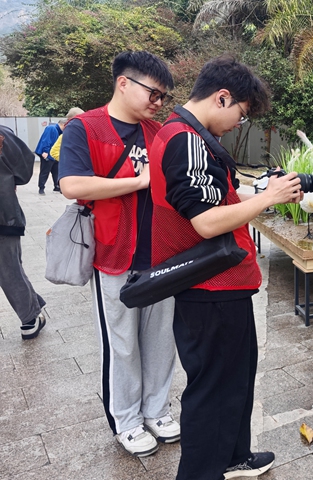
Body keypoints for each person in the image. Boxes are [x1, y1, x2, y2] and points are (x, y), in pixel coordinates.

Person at [149, 56, 302, 480]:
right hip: (209, 288)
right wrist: (268, 198)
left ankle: (234, 456)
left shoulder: (184, 135)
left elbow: (213, 199)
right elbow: (205, 220)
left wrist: (254, 191)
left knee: (235, 376)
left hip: (222, 285)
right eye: (241, 112)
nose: (239, 122)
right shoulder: (185, 139)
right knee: (212, 388)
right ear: (222, 97)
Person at [58, 51, 180, 458]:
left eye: (163, 96)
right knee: (122, 342)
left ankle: (157, 410)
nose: (158, 102)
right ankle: (126, 420)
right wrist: (138, 181)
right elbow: (73, 185)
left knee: (162, 339)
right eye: (153, 92)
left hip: (160, 254)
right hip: (113, 254)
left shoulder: (157, 132)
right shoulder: (86, 127)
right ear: (123, 83)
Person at [0, 125, 47, 339]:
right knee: (8, 268)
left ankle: (31, 311)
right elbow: (24, 168)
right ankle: (30, 311)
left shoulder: (2, 134)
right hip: (4, 213)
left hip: (3, 215)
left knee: (8, 268)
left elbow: (24, 168)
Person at [34, 117, 64, 194]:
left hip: (53, 155)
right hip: (47, 154)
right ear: (63, 125)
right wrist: (45, 151)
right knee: (45, 171)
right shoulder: (51, 128)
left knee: (56, 171)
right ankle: (41, 187)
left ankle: (56, 186)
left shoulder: (58, 131)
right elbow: (46, 140)